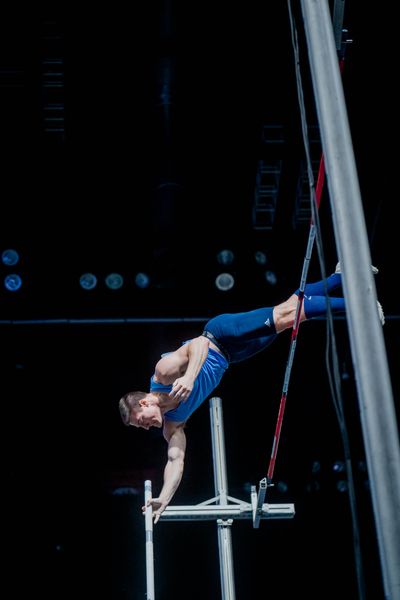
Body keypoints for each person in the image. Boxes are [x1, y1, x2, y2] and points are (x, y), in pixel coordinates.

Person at [119, 264, 384, 522]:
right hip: (233, 355)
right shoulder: (172, 425)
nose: (145, 427)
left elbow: (199, 343)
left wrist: (188, 377)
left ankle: (360, 305)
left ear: (144, 401)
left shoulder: (163, 374)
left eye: (140, 420)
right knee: (287, 313)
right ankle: (340, 277)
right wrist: (164, 498)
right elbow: (176, 460)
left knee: (289, 316)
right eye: (140, 427)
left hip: (220, 334)